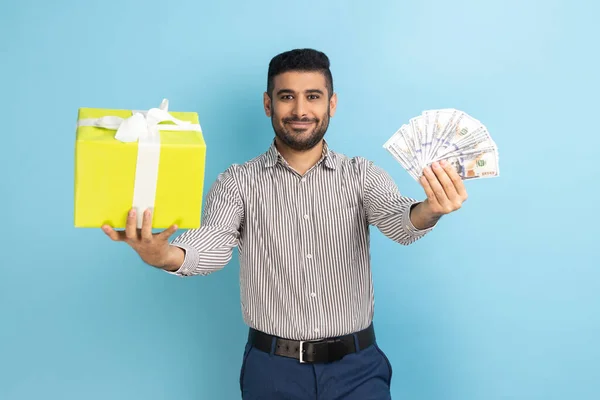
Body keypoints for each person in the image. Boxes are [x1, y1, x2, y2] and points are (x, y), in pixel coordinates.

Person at [102, 48, 468, 399]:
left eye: (313, 96)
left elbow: (399, 221)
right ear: (268, 104)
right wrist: (164, 254)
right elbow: (211, 244)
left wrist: (430, 209)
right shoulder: (238, 181)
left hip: (358, 370)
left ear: (332, 104)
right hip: (273, 371)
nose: (300, 109)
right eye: (286, 96)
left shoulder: (362, 175)